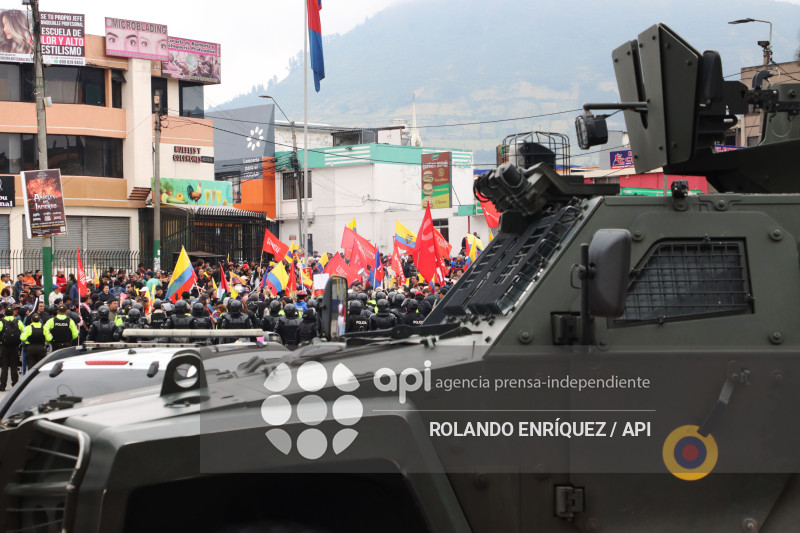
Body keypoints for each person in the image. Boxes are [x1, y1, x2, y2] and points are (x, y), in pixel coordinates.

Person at [0, 303, 23, 391]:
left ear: (4, 312)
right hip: (15, 346)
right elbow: (24, 331)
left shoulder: (1, 322)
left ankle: (3, 386)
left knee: (4, 366)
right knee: (14, 366)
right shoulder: (18, 321)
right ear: (13, 312)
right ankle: (15, 385)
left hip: (4, 347)